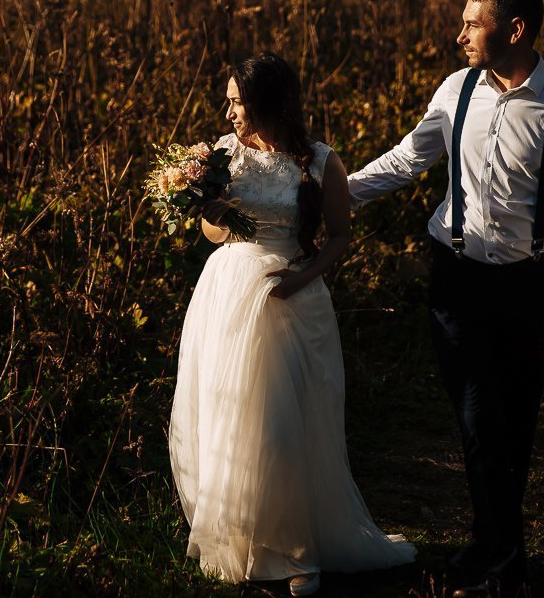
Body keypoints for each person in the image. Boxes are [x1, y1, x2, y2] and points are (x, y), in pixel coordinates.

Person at [348, 0, 544, 597]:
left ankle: (496, 551)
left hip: (525, 286)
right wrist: (333, 195)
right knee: (476, 417)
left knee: (512, 424)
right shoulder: (455, 90)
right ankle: (500, 558)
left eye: (472, 23)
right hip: (455, 279)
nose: (458, 34)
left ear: (514, 30)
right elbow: (407, 160)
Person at [168, 52, 416, 597]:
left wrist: (299, 281)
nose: (228, 110)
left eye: (237, 101)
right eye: (229, 100)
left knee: (282, 422)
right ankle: (242, 539)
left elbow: (339, 237)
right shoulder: (222, 155)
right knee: (230, 413)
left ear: (268, 103)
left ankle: (298, 549)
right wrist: (208, 207)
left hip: (288, 296)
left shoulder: (321, 160)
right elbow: (216, 235)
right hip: (228, 292)